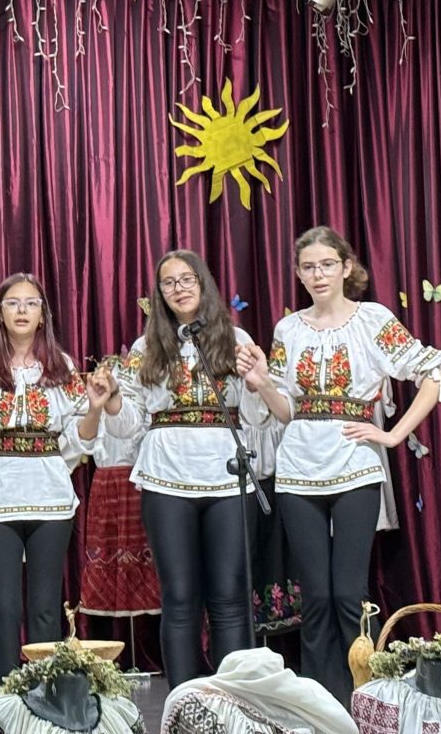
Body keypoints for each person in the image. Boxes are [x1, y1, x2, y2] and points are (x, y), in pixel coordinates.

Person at [238, 226, 441, 706]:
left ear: (346, 267)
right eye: (308, 267)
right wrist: (262, 382)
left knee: (348, 593)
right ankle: (320, 703)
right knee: (315, 596)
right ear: (298, 274)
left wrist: (393, 435)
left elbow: (434, 376)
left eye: (327, 265)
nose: (318, 275)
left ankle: (365, 697)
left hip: (355, 466)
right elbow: (286, 411)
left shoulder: (372, 319)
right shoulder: (288, 329)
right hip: (298, 470)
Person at [106, 250, 270, 687]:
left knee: (230, 597)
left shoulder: (236, 339)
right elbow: (126, 424)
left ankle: (231, 702)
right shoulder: (145, 348)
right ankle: (182, 702)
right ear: (159, 293)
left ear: (203, 283)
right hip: (167, 477)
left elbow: (255, 417)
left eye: (186, 279)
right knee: (179, 598)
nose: (178, 288)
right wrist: (112, 401)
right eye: (168, 282)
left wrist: (258, 385)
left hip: (227, 476)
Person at [0, 272, 108, 687]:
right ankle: (4, 698)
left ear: (42, 314)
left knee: (45, 608)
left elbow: (79, 438)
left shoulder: (61, 367)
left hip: (49, 497)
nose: (22, 310)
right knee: (3, 608)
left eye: (31, 303)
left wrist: (94, 409)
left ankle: (44, 696)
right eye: (13, 303)